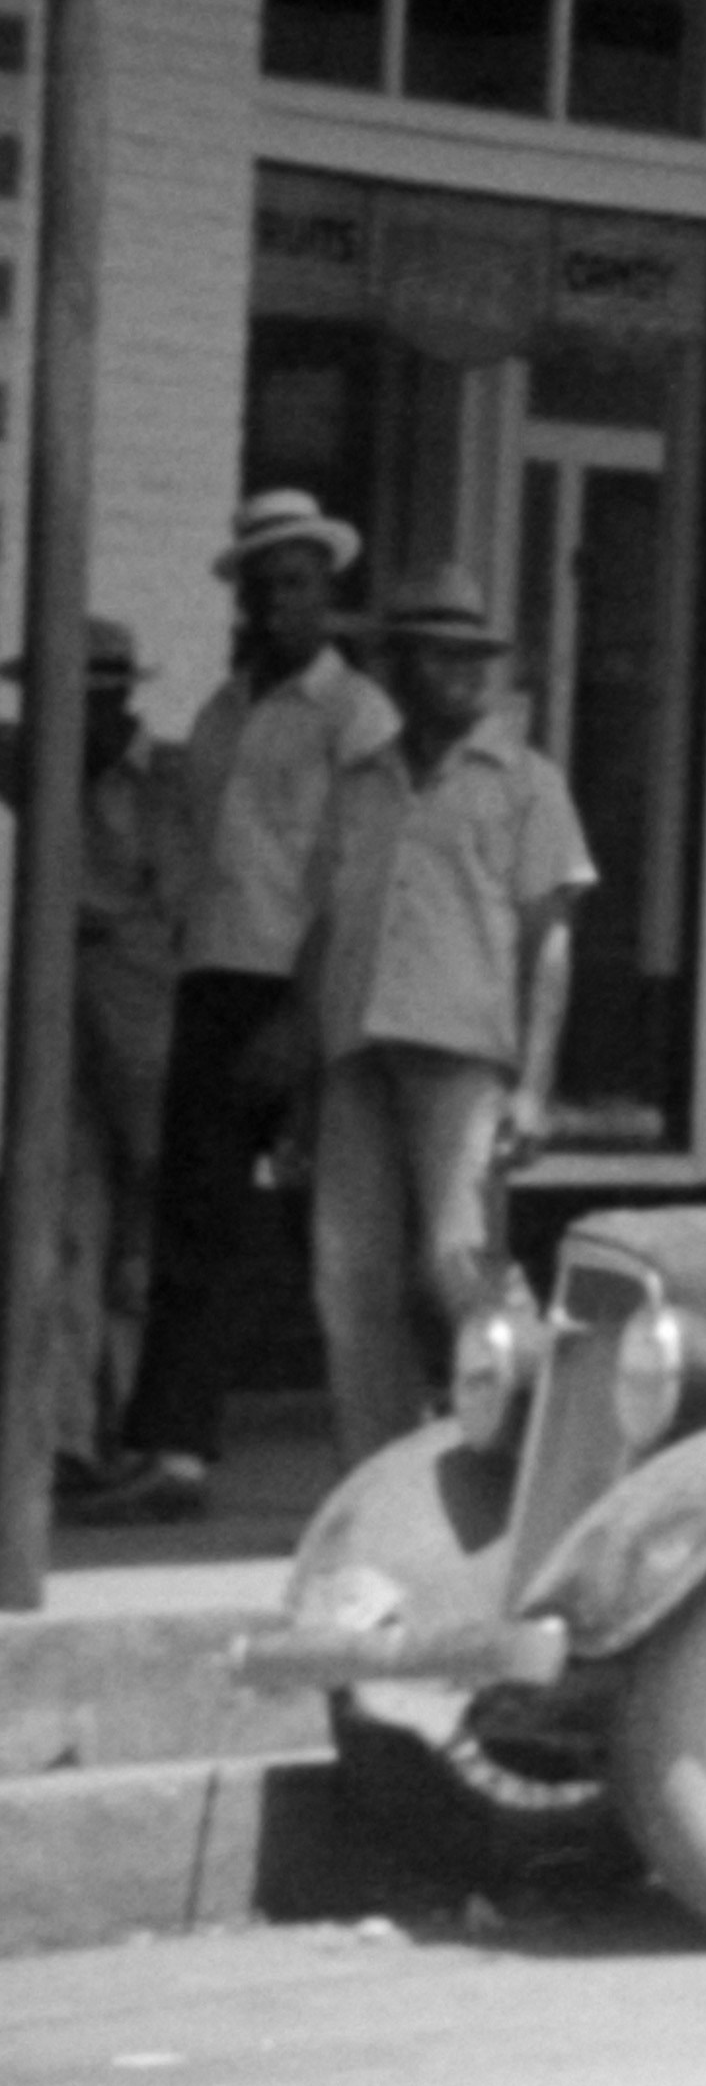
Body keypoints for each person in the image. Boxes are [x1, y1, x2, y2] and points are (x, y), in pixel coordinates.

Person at [96, 495, 398, 1509]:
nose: (279, 605)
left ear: (329, 591)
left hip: (313, 988)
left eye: (299, 584)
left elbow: (358, 876)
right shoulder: (222, 712)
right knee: (197, 1218)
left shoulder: (357, 716)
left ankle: (400, 1456)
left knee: (355, 1233)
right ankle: (175, 1450)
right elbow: (192, 843)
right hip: (215, 980)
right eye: (264, 588)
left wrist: (302, 1015)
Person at [299, 572, 585, 1458]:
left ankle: (541, 1439)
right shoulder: (358, 783)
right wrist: (304, 1073)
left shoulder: (525, 782)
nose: (465, 674)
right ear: (394, 668)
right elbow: (324, 926)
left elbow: (550, 944)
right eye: (442, 656)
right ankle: (377, 1476)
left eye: (477, 658)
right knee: (349, 1280)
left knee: (460, 1262)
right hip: (355, 1050)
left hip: (462, 1057)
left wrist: (532, 1092)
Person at [28, 620, 168, 1509]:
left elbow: (185, 891)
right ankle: (69, 1435)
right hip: (57, 1001)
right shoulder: (40, 769)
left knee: (143, 1221)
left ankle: (131, 1423)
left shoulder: (169, 780)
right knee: (67, 1216)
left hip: (144, 997)